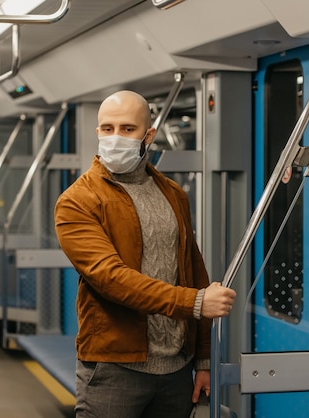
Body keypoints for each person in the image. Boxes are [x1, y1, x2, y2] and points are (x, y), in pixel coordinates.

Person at [54, 90, 236, 418]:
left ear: (148, 135)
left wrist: (204, 360)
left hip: (177, 368)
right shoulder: (78, 201)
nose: (115, 137)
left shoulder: (173, 193)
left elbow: (193, 271)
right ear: (97, 133)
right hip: (115, 368)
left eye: (127, 129)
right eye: (107, 129)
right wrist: (194, 302)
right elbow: (111, 279)